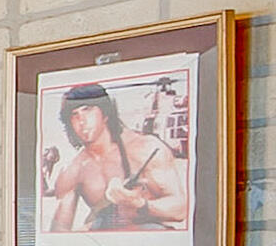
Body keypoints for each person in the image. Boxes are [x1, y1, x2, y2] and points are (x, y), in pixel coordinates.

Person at [43, 83, 185, 232]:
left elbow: (180, 209)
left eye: (88, 110)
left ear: (105, 114)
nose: (82, 121)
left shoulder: (146, 149)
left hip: (151, 243)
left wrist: (138, 203)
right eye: (74, 114)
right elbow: (58, 234)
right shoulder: (73, 170)